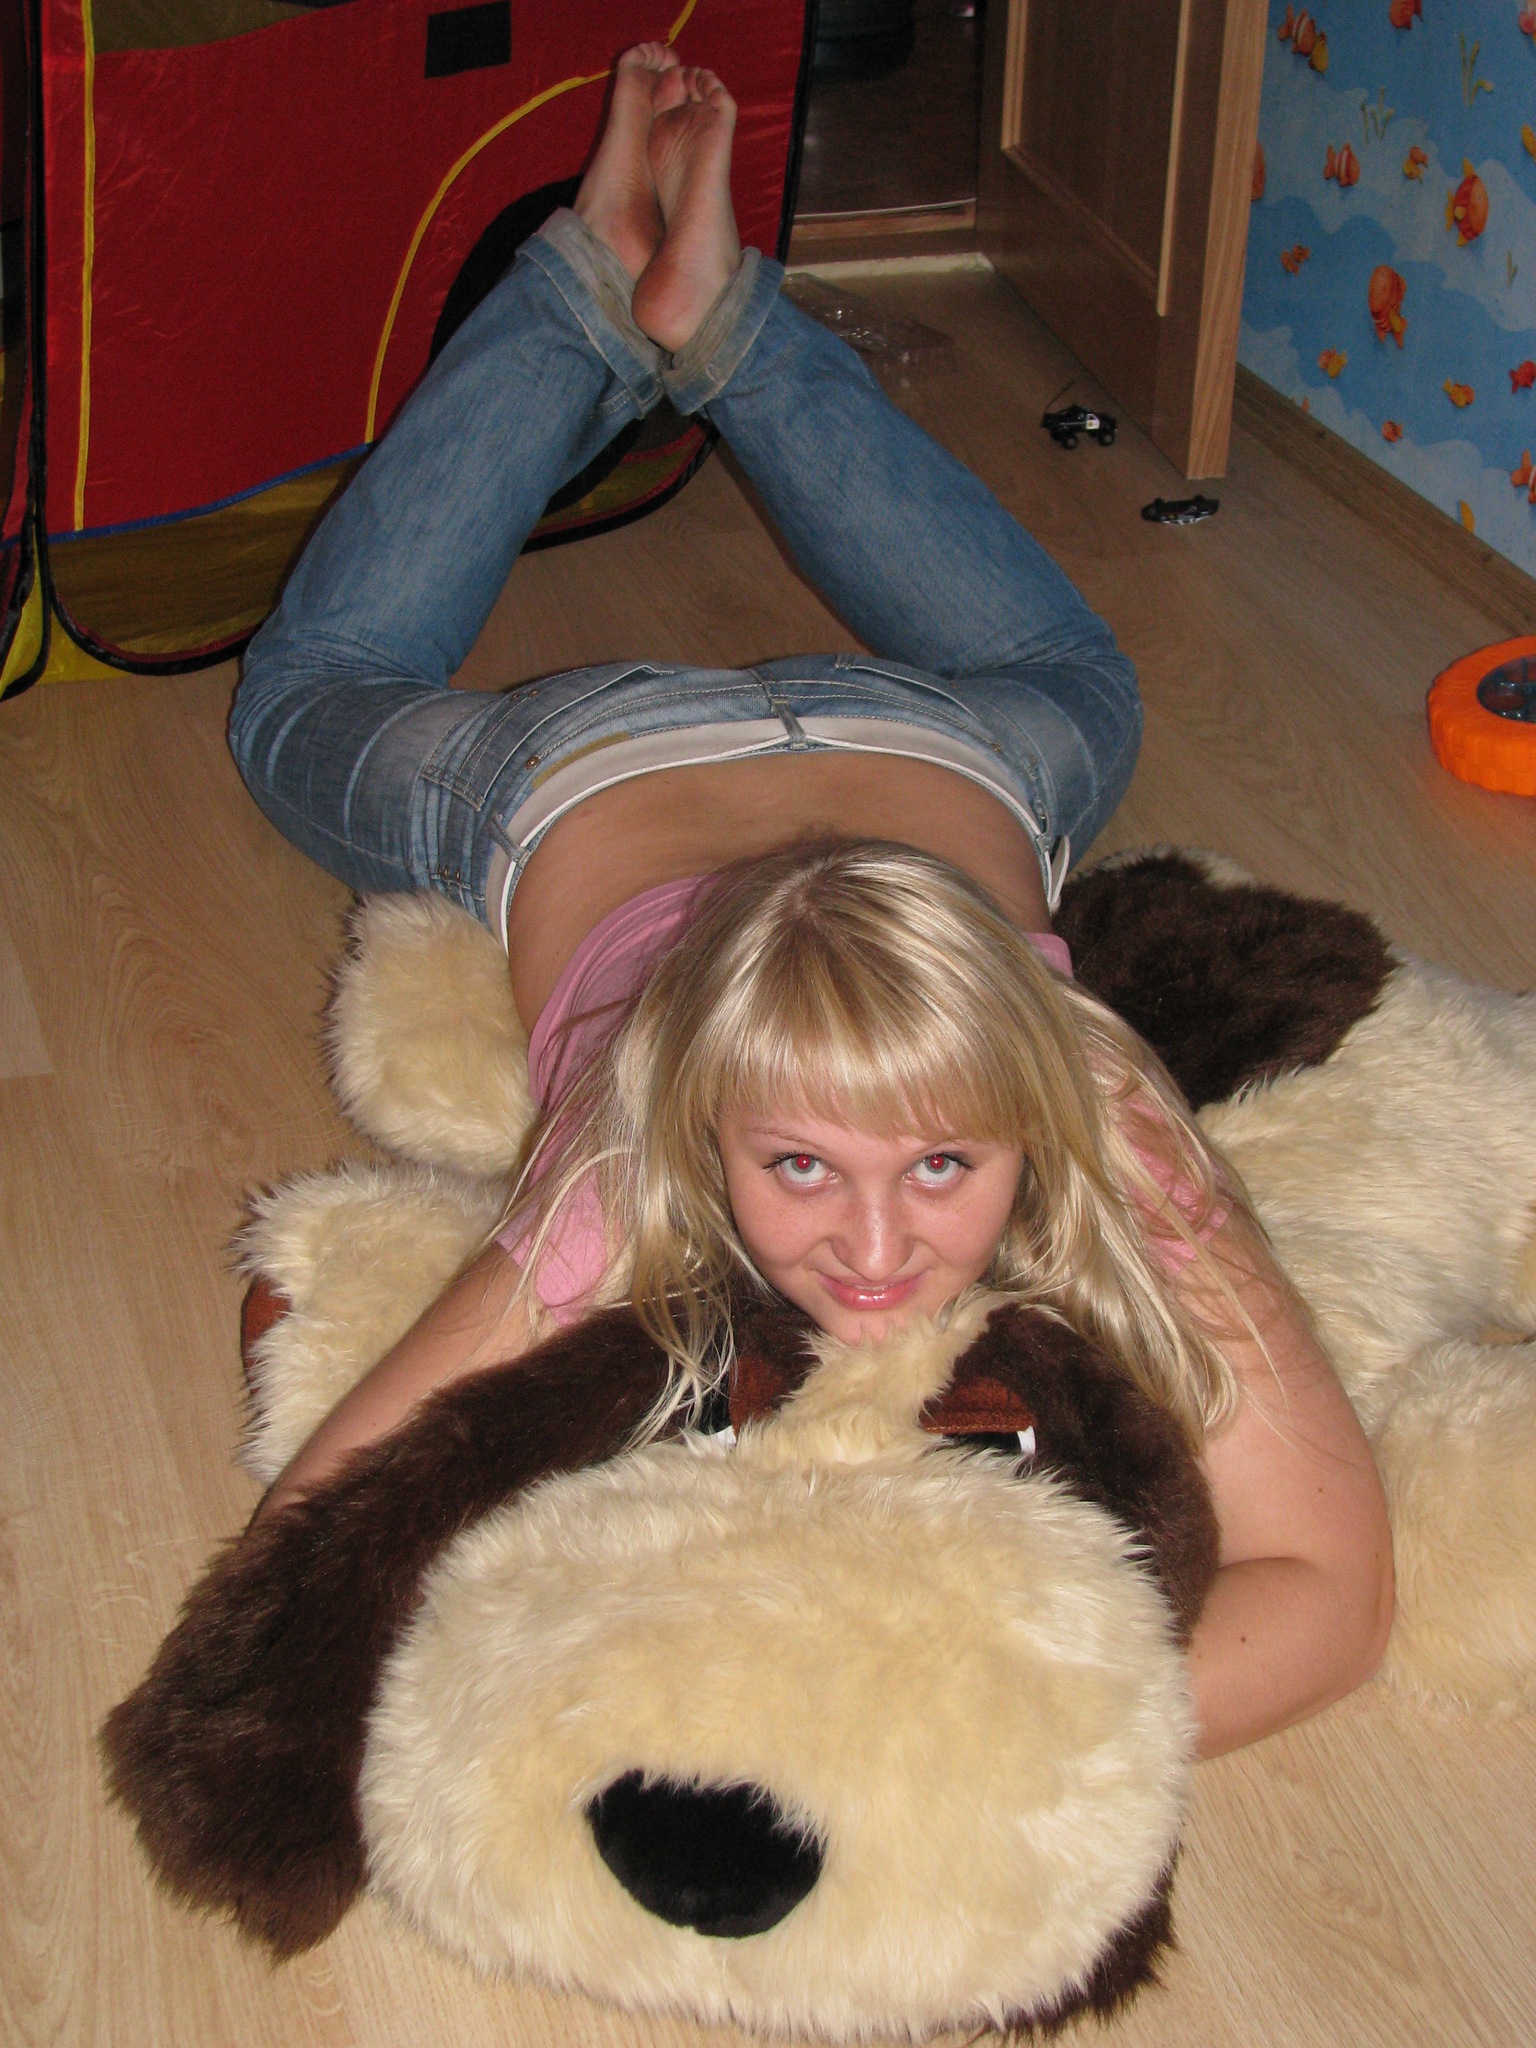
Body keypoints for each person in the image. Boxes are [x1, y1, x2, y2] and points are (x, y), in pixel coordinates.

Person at [230, 48, 1392, 1756]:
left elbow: (1336, 1596)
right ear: (698, 1118)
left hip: (922, 748)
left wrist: (918, 1762)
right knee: (297, 697)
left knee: (1069, 679)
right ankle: (675, 302)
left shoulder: (1100, 1112)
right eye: (795, 1167)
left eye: (940, 1165)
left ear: (1033, 1106)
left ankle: (615, 283)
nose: (872, 1252)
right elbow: (317, 1552)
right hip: (613, 759)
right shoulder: (630, 1158)